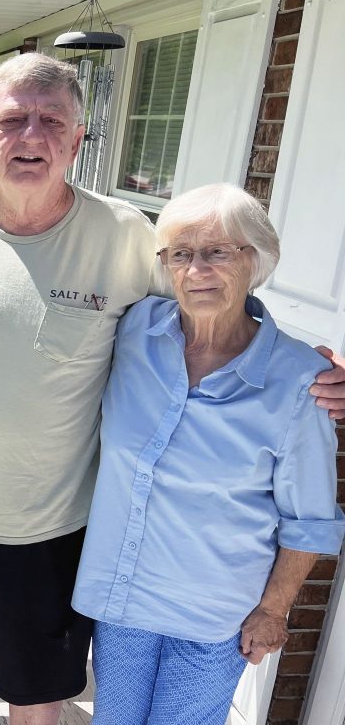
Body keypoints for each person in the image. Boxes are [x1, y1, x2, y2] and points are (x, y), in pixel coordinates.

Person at [0, 52, 345, 725]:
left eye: (52, 121)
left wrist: (309, 369)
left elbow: (214, 305)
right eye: (12, 121)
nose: (31, 137)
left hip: (53, 526)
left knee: (36, 690)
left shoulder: (129, 238)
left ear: (76, 140)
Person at [71, 184, 345, 725]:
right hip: (124, 600)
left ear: (256, 261)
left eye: (218, 251)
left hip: (214, 614)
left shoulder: (299, 382)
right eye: (181, 253)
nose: (197, 269)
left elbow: (308, 519)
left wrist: (273, 609)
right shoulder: (133, 331)